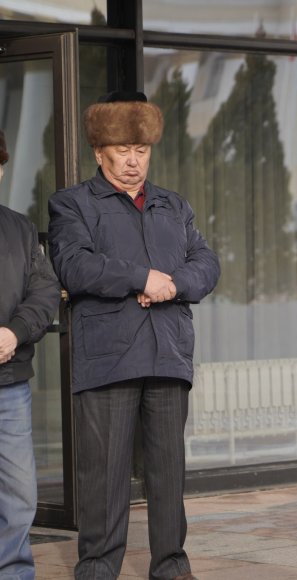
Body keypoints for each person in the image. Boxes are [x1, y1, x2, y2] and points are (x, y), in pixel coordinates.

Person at [48, 91, 220, 580]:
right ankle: (98, 570)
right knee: (104, 481)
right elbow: (75, 265)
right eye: (121, 151)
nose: (131, 161)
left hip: (168, 355)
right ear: (99, 153)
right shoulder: (71, 203)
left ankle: (171, 568)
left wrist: (173, 285)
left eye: (140, 151)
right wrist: (142, 277)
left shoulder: (173, 205)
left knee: (169, 477)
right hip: (107, 360)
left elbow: (206, 264)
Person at [0, 129, 61, 580]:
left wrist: (13, 333)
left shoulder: (19, 229)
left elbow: (44, 295)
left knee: (19, 496)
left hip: (9, 386)